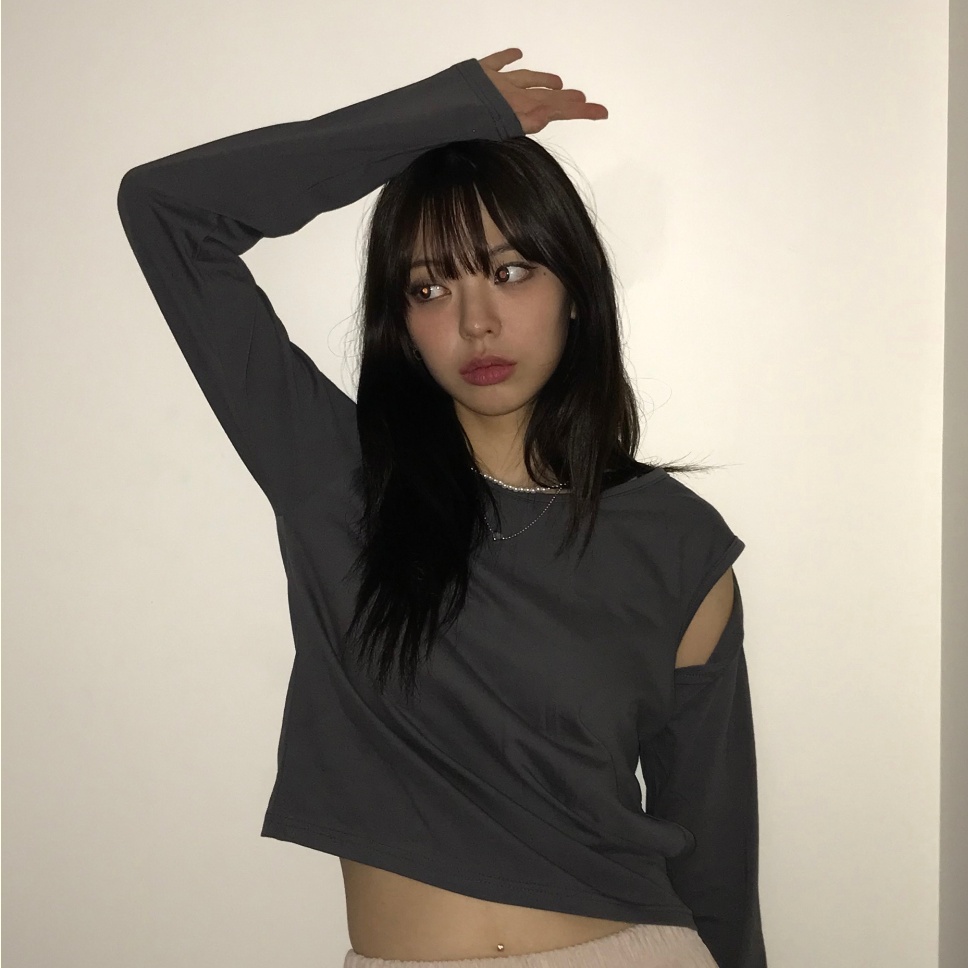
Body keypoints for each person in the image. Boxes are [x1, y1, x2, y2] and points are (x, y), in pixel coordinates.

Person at [117, 46, 766, 968]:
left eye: (510, 272)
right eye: (431, 287)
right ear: (401, 321)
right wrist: (446, 115)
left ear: (576, 292)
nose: (475, 323)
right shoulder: (337, 481)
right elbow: (166, 208)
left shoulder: (676, 542)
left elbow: (715, 854)